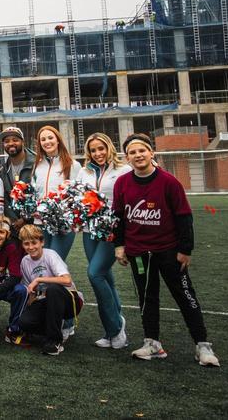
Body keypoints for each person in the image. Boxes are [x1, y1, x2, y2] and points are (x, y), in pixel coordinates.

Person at [112, 133, 218, 367]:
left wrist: (185, 249)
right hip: (139, 252)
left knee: (185, 296)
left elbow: (184, 217)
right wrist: (119, 245)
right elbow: (118, 216)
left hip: (169, 250)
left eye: (142, 150)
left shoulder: (169, 182)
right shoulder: (122, 183)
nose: (138, 155)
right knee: (147, 297)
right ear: (127, 158)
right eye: (132, 152)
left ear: (152, 153)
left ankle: (202, 345)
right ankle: (152, 343)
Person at [75, 132, 131, 349]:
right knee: (106, 277)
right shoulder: (84, 171)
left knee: (95, 273)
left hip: (112, 230)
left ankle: (115, 327)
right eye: (93, 150)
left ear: (109, 148)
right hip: (90, 230)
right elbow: (78, 197)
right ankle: (112, 328)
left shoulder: (123, 169)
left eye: (101, 148)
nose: (98, 153)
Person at [10, 224, 82, 355]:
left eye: (34, 243)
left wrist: (39, 279)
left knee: (53, 289)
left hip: (69, 301)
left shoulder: (50, 255)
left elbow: (67, 280)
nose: (31, 247)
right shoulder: (25, 261)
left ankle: (54, 341)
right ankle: (55, 327)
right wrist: (30, 308)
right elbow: (30, 290)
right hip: (44, 300)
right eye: (26, 244)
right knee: (24, 322)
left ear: (42, 242)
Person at [31, 125, 83, 259]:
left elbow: (79, 195)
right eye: (43, 139)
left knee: (55, 260)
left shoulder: (73, 165)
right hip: (40, 222)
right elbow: (33, 192)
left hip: (62, 223)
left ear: (58, 140)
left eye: (50, 138)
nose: (47, 142)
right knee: (43, 262)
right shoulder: (37, 165)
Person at [0, 127, 35, 223]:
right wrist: (14, 220)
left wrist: (26, 218)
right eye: (6, 141)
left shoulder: (36, 163)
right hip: (14, 225)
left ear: (23, 142)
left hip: (35, 222)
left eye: (15, 140)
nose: (11, 143)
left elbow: (40, 193)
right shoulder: (2, 170)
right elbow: (5, 199)